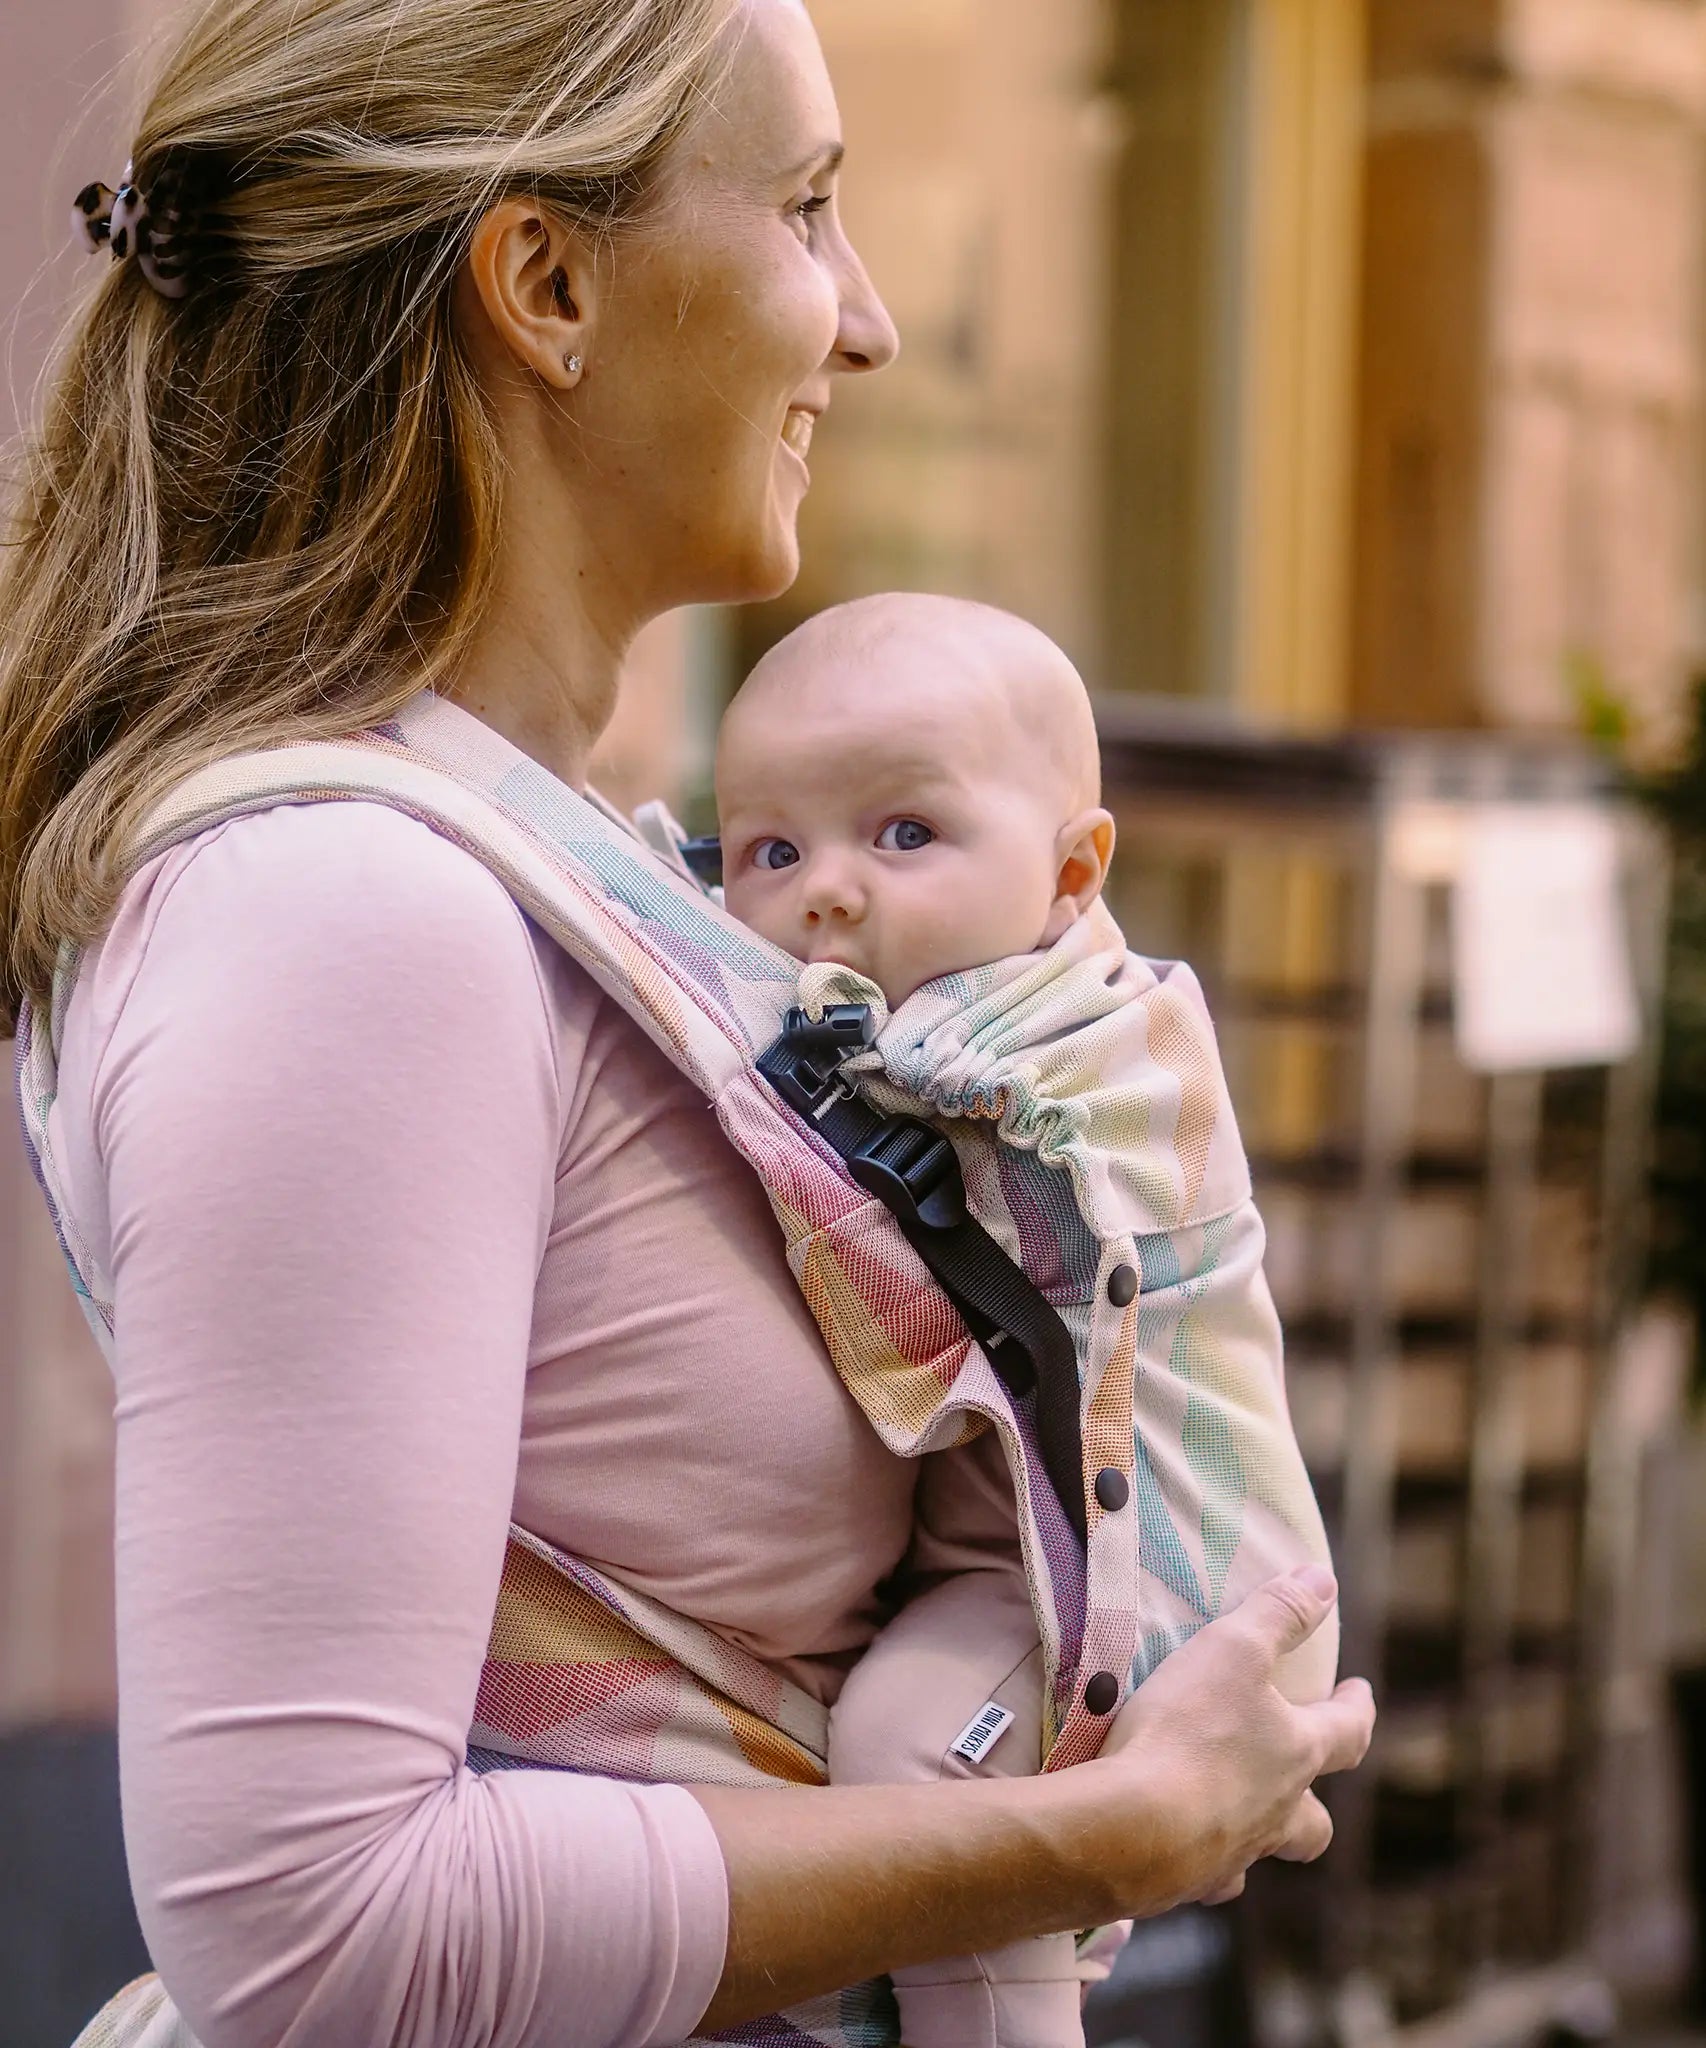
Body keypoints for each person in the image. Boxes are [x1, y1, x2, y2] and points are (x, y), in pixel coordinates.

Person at [0, 2, 1375, 2045]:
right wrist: (1104, 1835)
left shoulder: (529, 859)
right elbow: (311, 1930)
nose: (869, 322)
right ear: (546, 287)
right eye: (812, 209)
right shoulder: (346, 908)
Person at [715, 590, 1337, 2048]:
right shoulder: (909, 996)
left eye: (905, 834)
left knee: (917, 1752)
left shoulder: (1092, 1036)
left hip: (1180, 1592)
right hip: (1014, 1555)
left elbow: (950, 1101)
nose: (829, 894)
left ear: (1071, 871)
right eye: (768, 850)